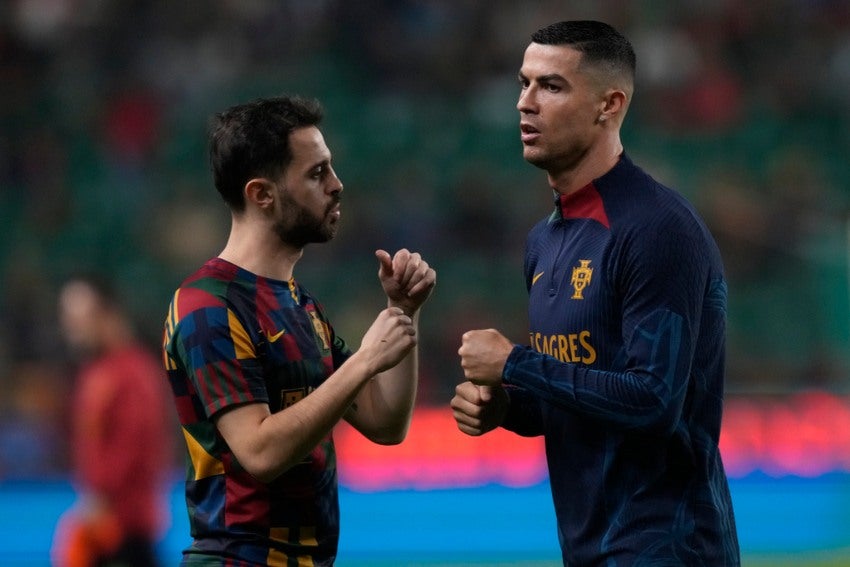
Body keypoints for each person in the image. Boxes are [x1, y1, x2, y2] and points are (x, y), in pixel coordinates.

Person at [450, 20, 740, 566]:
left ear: (609, 105)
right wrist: (509, 406)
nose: (525, 103)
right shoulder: (543, 241)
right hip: (589, 548)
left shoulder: (656, 227)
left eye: (551, 86)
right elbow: (579, 396)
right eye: (523, 83)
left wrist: (515, 363)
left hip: (668, 549)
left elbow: (653, 401)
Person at [161, 95, 435, 566]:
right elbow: (260, 452)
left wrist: (403, 312)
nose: (337, 185)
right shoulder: (207, 304)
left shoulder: (299, 303)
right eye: (316, 173)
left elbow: (386, 423)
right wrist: (366, 360)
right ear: (261, 194)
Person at [52, 275, 173, 567]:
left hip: (125, 531)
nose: (72, 328)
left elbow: (132, 447)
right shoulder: (94, 372)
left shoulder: (132, 373)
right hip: (102, 526)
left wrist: (101, 498)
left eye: (81, 318)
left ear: (108, 314)